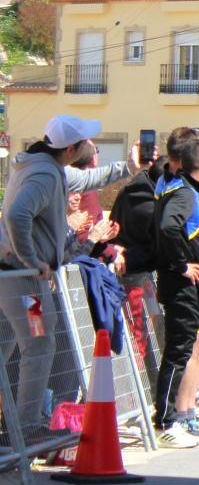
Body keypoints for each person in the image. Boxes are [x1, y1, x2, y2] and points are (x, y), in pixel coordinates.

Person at [0, 115, 115, 443]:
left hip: (15, 275)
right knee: (39, 342)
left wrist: (132, 166)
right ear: (72, 149)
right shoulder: (45, 174)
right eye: (86, 144)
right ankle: (26, 425)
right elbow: (17, 215)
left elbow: (94, 177)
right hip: (24, 282)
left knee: (8, 345)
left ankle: (23, 423)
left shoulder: (46, 168)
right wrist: (32, 261)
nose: (90, 149)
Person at [152, 138, 199, 446]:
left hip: (188, 282)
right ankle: (166, 422)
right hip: (180, 283)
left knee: (184, 348)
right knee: (178, 350)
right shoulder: (184, 192)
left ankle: (176, 418)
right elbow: (168, 227)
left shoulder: (186, 190)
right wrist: (181, 264)